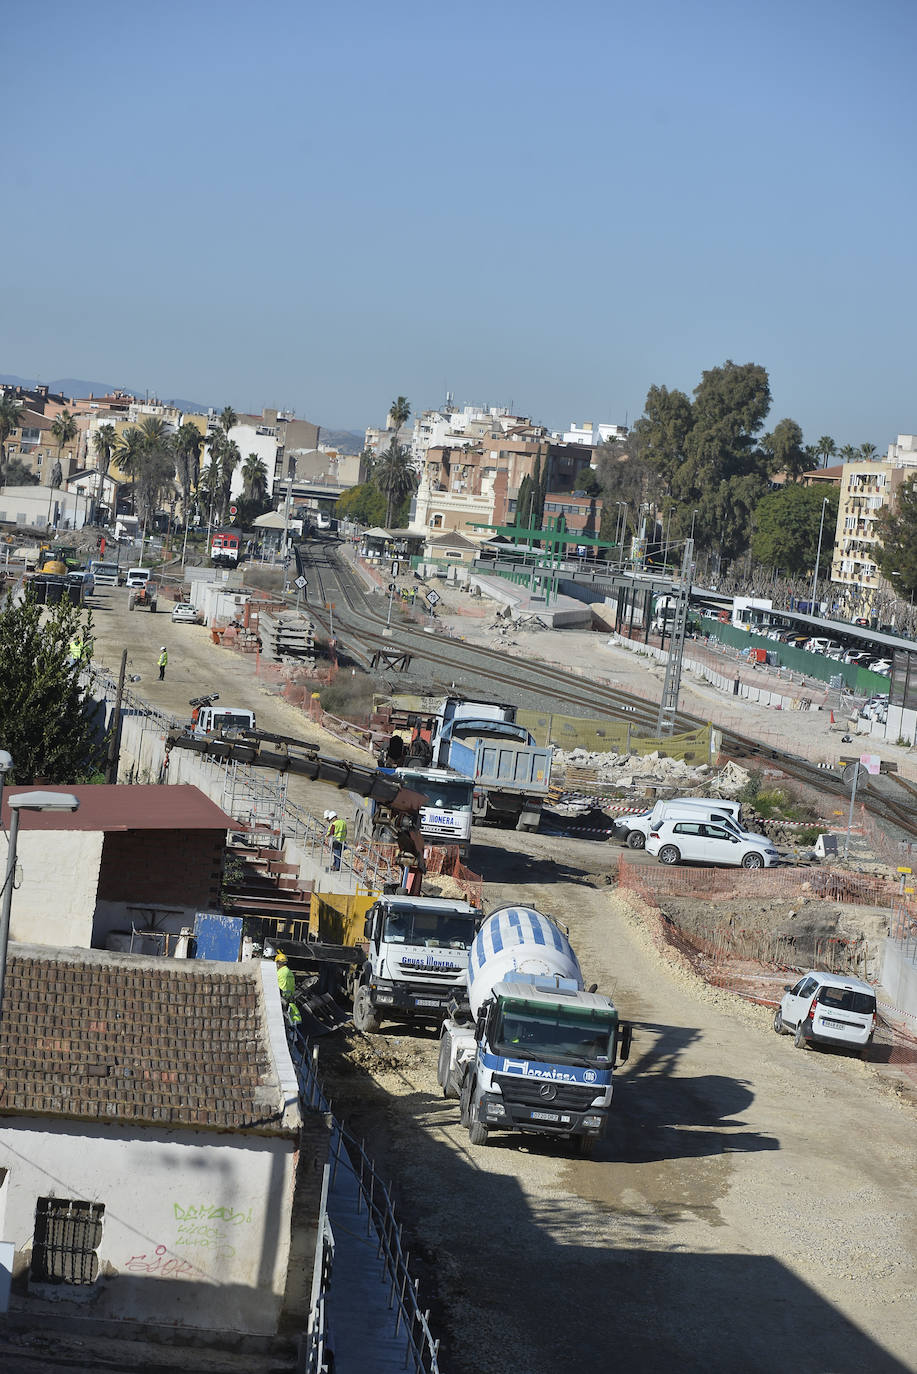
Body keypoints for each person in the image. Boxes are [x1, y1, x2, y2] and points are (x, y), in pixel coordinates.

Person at [274, 950, 301, 1025]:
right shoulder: (290, 972)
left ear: (279, 963)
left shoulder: (278, 973)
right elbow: (292, 987)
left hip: (281, 999)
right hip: (289, 999)